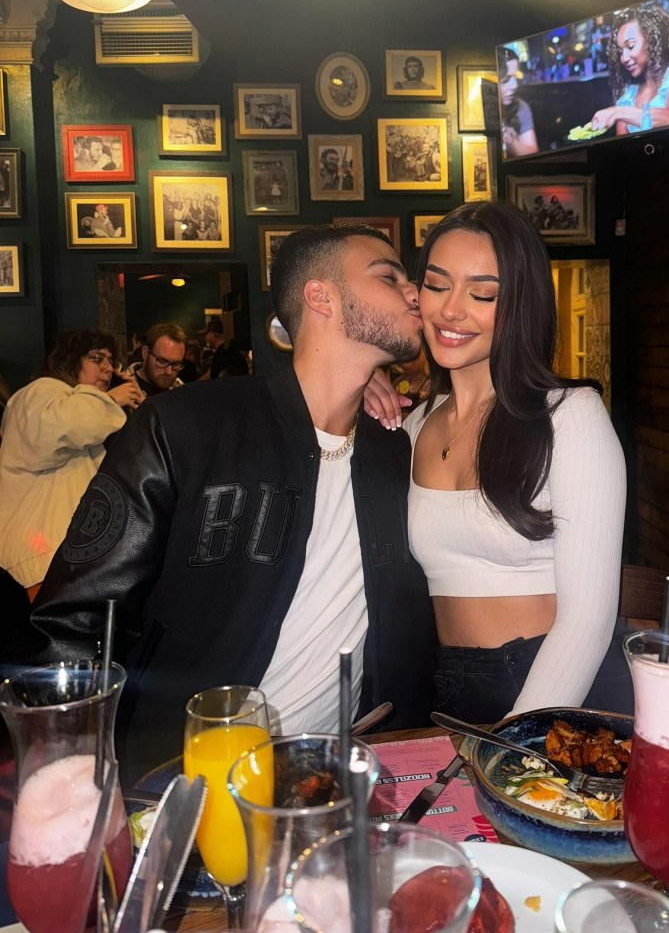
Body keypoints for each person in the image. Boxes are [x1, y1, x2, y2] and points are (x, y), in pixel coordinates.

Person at [29, 224, 436, 782]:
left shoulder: (394, 448)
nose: (415, 292)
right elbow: (74, 622)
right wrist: (67, 773)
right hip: (188, 778)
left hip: (339, 779)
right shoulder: (185, 428)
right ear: (322, 296)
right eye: (390, 276)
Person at [366, 201, 626, 723]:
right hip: (449, 687)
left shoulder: (570, 417)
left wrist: (513, 744)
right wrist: (361, 386)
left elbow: (588, 622)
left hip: (559, 685)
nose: (451, 310)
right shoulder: (413, 427)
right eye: (437, 286)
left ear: (519, 307)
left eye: (482, 294)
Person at [0, 330, 143, 599]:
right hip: (42, 555)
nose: (107, 368)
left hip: (63, 555)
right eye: (96, 358)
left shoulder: (79, 401)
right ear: (69, 360)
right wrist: (111, 400)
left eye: (110, 361)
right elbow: (59, 429)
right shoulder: (41, 391)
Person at [589, 3, 669, 136]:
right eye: (620, 51)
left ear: (651, 41)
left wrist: (618, 112)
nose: (624, 58)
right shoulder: (628, 95)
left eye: (630, 46)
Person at [120, 322, 188, 399]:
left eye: (176, 364)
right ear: (145, 353)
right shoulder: (121, 388)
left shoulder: (180, 389)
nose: (168, 372)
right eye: (162, 361)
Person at [498, 47, 539, 158]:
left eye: (515, 77)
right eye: (506, 79)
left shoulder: (521, 107)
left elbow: (532, 153)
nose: (514, 85)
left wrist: (510, 139)